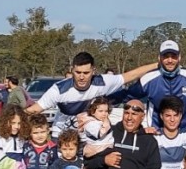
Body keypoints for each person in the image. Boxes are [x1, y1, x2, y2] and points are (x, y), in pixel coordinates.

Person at [26, 52, 157, 139]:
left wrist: (158, 64)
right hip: (61, 135)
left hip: (86, 137)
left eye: (86, 72)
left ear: (93, 71)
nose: (82, 77)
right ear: (72, 70)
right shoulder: (59, 90)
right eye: (78, 72)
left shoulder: (103, 82)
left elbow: (130, 76)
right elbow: (35, 109)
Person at [124, 40, 186, 132]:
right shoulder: (148, 79)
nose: (170, 60)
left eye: (173, 56)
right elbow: (126, 96)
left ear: (179, 57)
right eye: (166, 56)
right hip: (157, 134)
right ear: (159, 58)